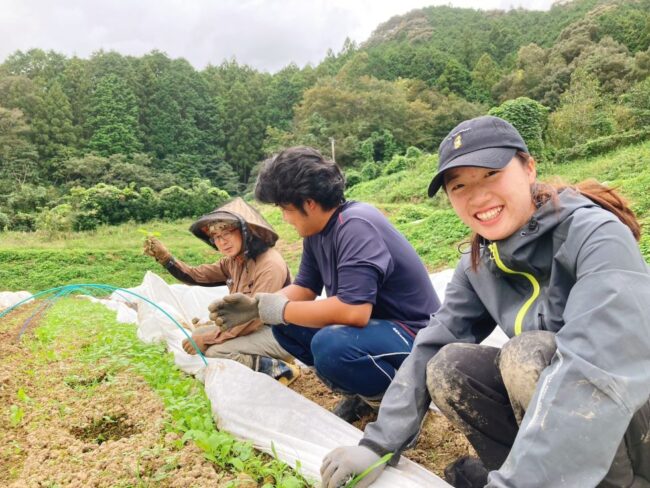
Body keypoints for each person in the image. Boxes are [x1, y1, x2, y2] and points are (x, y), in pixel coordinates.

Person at [320, 115, 650, 487]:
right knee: (448, 367)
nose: (477, 197)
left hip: (633, 419)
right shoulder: (481, 261)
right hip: (558, 435)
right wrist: (377, 445)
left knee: (526, 356)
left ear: (528, 168)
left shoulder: (594, 235)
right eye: (459, 185)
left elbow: (595, 368)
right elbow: (431, 345)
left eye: (491, 174)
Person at [209, 146, 441, 422]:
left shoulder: (355, 226)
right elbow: (305, 288)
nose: (284, 218)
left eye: (285, 209)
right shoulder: (317, 233)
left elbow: (354, 311)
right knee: (287, 324)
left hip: (414, 336)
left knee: (331, 345)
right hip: (376, 332)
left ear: (309, 202)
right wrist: (257, 305)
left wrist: (275, 309)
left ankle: (400, 409)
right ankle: (365, 394)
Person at [143, 197, 299, 385]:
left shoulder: (269, 265)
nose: (222, 241)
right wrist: (167, 259)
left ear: (245, 232)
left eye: (227, 233)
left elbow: (253, 319)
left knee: (216, 351)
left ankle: (281, 369)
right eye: (216, 237)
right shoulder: (234, 261)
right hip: (254, 328)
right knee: (197, 337)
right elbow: (197, 275)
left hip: (280, 334)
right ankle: (269, 360)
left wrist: (209, 340)